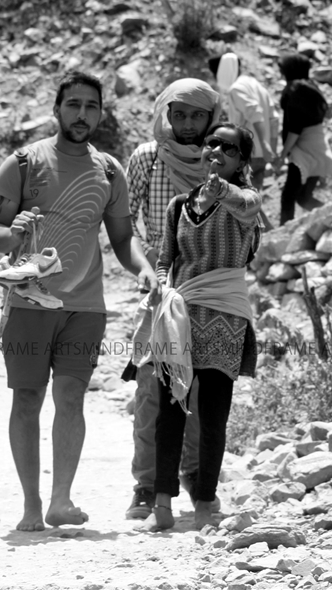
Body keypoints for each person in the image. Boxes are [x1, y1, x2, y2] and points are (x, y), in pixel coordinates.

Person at [0, 71, 156, 531]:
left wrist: (143, 268)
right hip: (28, 301)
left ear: (101, 114)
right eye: (74, 105)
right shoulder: (23, 163)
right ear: (57, 109)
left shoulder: (109, 170)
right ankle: (31, 505)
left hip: (85, 306)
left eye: (91, 106)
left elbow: (122, 237)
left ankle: (60, 500)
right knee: (27, 397)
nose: (82, 114)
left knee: (71, 396)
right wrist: (13, 233)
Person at [136, 123, 261, 532]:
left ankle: (205, 501)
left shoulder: (246, 201)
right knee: (170, 411)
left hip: (225, 316)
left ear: (241, 161)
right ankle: (162, 504)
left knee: (212, 415)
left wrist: (220, 188)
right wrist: (158, 282)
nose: (217, 151)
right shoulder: (179, 206)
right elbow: (166, 258)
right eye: (212, 143)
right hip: (181, 316)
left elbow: (245, 204)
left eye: (229, 148)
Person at [123, 78, 222, 521]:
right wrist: (147, 268)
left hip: (208, 291)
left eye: (197, 115)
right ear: (165, 113)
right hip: (160, 290)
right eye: (178, 114)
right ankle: (146, 484)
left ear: (211, 117)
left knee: (200, 389)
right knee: (151, 389)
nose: (187, 124)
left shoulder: (221, 158)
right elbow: (126, 222)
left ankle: (195, 476)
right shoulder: (147, 157)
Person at [273, 53, 332, 225]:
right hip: (317, 144)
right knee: (303, 197)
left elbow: (295, 128)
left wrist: (283, 155)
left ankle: (283, 233)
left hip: (303, 149)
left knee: (288, 196)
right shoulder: (311, 86)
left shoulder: (294, 90)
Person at [208, 53, 278, 192]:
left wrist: (265, 145)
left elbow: (255, 114)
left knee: (239, 196)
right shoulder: (256, 85)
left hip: (247, 154)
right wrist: (270, 148)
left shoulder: (236, 89)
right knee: (253, 195)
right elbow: (273, 119)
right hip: (261, 155)